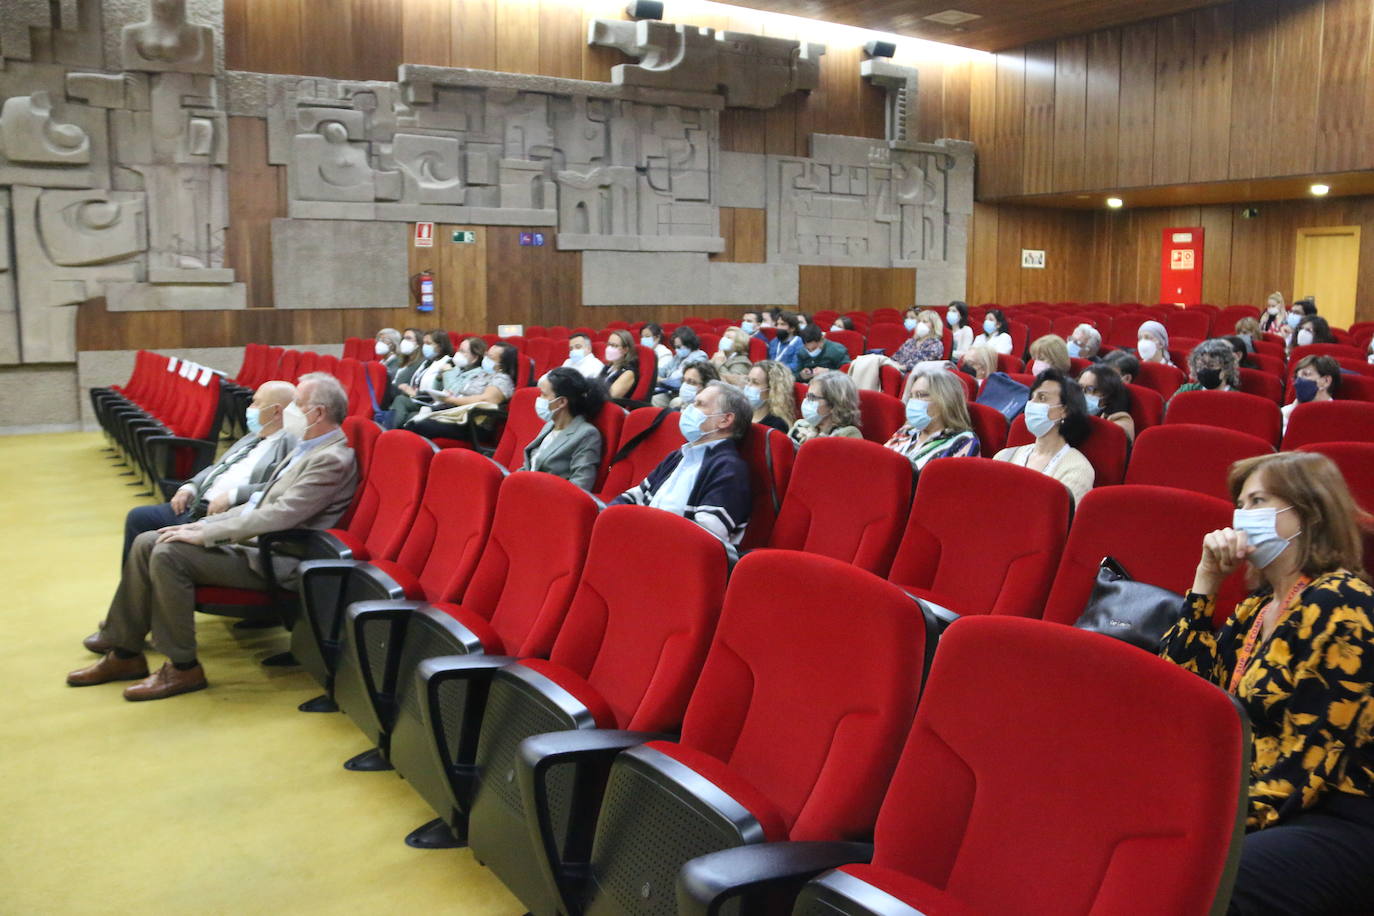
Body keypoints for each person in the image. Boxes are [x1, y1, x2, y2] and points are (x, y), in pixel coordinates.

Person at [1158, 451, 1374, 916]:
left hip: (1336, 813)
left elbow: (1308, 765)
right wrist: (1206, 582)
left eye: (1258, 501)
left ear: (1309, 513)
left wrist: (1202, 821)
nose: (1241, 517)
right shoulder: (1256, 610)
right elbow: (1181, 697)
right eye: (1240, 503)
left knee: (1196, 881)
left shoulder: (1344, 605)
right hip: (1255, 795)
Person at [70, 373, 359, 700]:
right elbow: (257, 503)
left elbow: (278, 516)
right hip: (252, 544)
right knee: (148, 540)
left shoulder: (332, 459)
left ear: (317, 413)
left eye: (297, 405)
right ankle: (125, 653)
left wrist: (208, 534)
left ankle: (182, 667)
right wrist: (198, 527)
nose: (290, 411)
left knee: (169, 554)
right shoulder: (308, 447)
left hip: (277, 558)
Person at [121, 381, 298, 564]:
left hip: (221, 515)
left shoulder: (289, 446)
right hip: (195, 504)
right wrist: (190, 487)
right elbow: (218, 467)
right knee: (138, 517)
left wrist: (232, 495)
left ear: (276, 411)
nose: (250, 408)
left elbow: (278, 486)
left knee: (153, 544)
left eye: (256, 403)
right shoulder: (252, 436)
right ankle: (137, 587)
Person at [609, 380, 752, 546]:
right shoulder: (679, 455)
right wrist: (608, 518)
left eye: (699, 404)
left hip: (672, 557)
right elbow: (635, 497)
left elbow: (703, 540)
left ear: (725, 420)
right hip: (643, 543)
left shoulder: (729, 469)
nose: (689, 409)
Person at [993, 368, 1094, 505]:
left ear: (1064, 411)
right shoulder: (1004, 456)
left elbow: (1061, 521)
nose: (1031, 404)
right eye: (1032, 398)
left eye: (1042, 398)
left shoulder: (1077, 469)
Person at [407, 340, 517, 439]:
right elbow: (461, 390)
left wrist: (452, 400)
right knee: (413, 420)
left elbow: (486, 400)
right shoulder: (483, 374)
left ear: (502, 365)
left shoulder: (502, 379)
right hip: (457, 415)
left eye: (491, 357)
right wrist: (450, 396)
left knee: (421, 425)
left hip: (474, 425)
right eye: (487, 355)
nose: (486, 359)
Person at [520, 368, 606, 491]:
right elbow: (530, 465)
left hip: (549, 500)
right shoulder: (549, 425)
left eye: (544, 395)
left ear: (561, 402)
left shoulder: (587, 434)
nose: (539, 398)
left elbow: (581, 484)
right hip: (527, 491)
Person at [884, 367, 980, 471]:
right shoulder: (906, 431)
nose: (913, 402)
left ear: (945, 400)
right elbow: (881, 461)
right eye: (912, 396)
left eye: (920, 395)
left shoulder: (963, 441)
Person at [388, 328, 455, 426]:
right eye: (424, 343)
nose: (425, 347)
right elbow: (417, 382)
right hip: (419, 400)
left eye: (428, 343)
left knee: (400, 401)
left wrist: (416, 393)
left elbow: (441, 391)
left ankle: (389, 434)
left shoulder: (448, 363)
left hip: (433, 403)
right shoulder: (427, 362)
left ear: (440, 346)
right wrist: (410, 389)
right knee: (404, 407)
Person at [790, 371, 863, 444]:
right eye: (807, 396)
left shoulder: (848, 434)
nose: (806, 401)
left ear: (833, 404)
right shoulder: (801, 426)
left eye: (812, 397)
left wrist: (812, 443)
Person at [1076, 363, 1135, 442]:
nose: (1082, 393)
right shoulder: (1071, 411)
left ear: (1108, 394)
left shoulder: (1120, 422)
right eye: (1080, 387)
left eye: (1090, 389)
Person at [1282, 354, 1341, 432]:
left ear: (1326, 381)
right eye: (1297, 377)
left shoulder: (1339, 416)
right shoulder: (1283, 413)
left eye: (1306, 374)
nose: (1298, 382)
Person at [1171, 338, 1240, 400]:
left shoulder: (1236, 398)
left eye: (1211, 365)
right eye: (1200, 366)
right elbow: (1169, 411)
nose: (1204, 370)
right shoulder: (1186, 390)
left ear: (1226, 369)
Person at [744, 360, 796, 434]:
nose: (748, 386)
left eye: (755, 382)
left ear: (772, 390)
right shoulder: (740, 414)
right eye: (748, 380)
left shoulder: (777, 426)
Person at [599, 329, 640, 400]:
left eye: (614, 346)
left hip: (616, 408)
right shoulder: (608, 367)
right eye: (608, 344)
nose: (609, 348)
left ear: (625, 350)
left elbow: (610, 396)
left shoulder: (628, 372)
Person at [387, 327, 425, 399]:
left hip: (401, 396)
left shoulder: (420, 363)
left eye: (408, 338)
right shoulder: (398, 360)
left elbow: (401, 385)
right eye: (403, 338)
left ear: (418, 343)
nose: (404, 341)